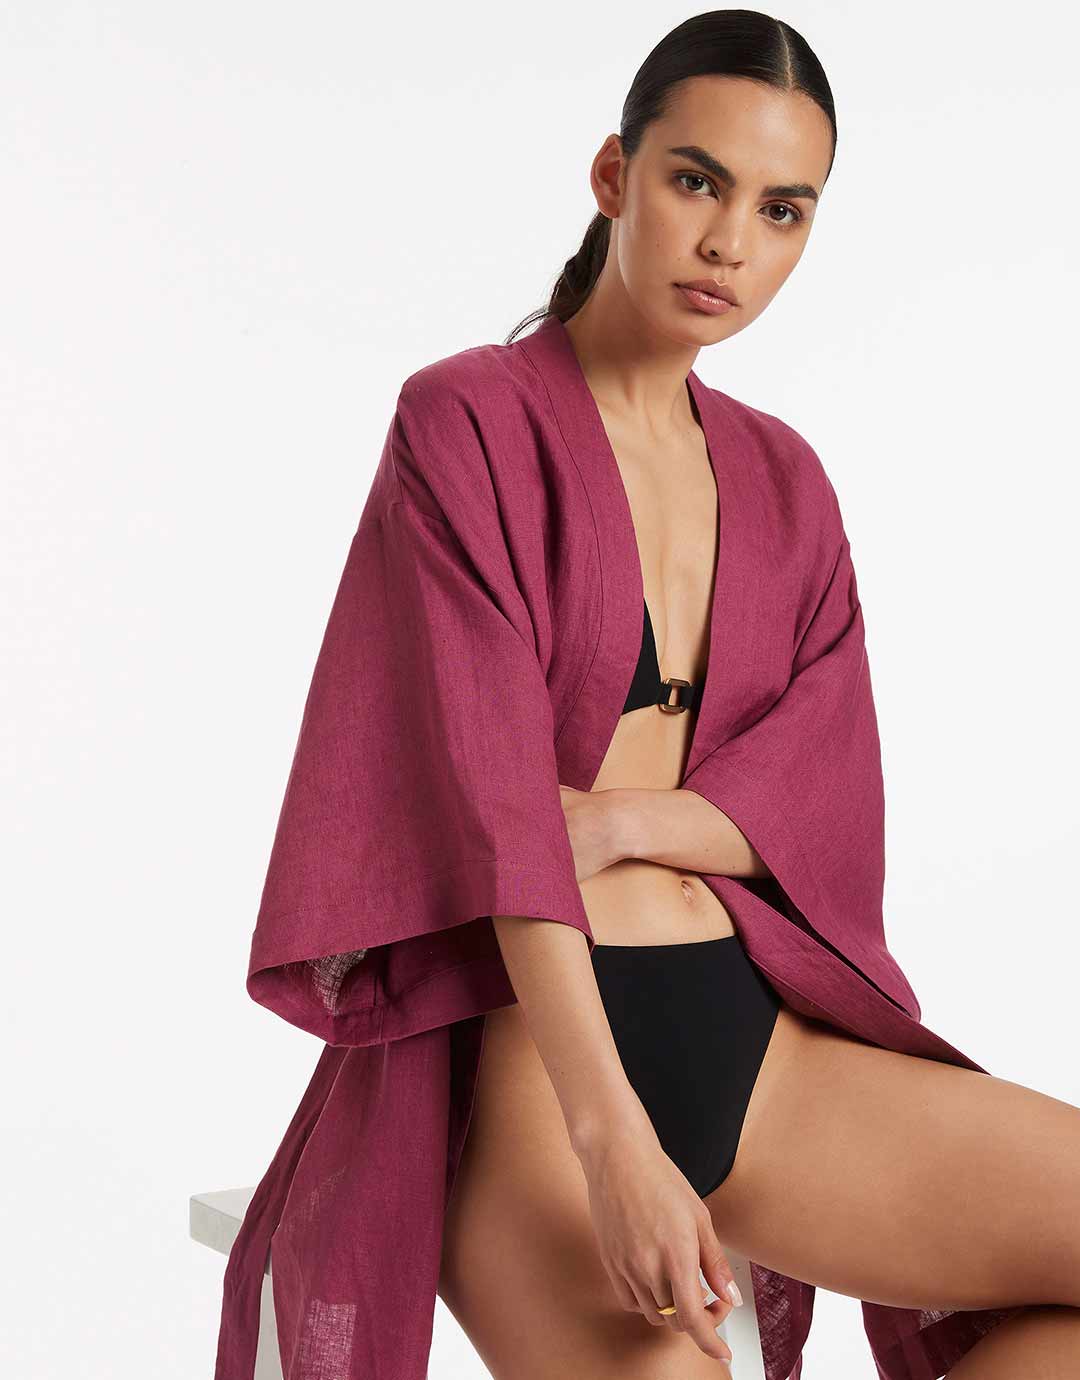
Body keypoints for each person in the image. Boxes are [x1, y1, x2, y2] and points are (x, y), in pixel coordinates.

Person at [214, 12, 1080, 1380]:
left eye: (782, 209)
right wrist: (611, 1139)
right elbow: (491, 808)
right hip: (535, 1074)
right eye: (696, 181)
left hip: (765, 1055)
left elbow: (827, 797)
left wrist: (621, 823)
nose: (731, 242)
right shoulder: (468, 422)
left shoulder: (787, 480)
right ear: (615, 175)